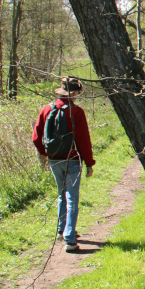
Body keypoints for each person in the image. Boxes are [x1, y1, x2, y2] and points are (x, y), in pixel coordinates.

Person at [32, 77, 95, 252]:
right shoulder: (76, 112)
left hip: (54, 159)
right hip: (72, 159)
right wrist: (89, 163)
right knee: (72, 198)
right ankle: (70, 239)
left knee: (61, 194)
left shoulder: (46, 109)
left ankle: (61, 230)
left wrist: (46, 154)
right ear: (74, 93)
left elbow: (36, 137)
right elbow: (83, 140)